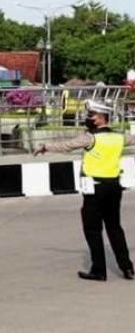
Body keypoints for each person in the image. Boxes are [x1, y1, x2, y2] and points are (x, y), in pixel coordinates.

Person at [36, 99, 135, 281]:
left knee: (92, 228)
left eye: (91, 115)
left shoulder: (91, 138)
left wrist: (46, 146)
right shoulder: (120, 137)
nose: (88, 118)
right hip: (114, 187)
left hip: (95, 189)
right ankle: (127, 268)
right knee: (114, 227)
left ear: (101, 118)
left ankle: (99, 270)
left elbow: (66, 146)